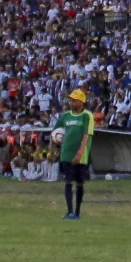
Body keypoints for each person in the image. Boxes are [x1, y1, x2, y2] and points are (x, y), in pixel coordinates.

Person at [54, 88, 96, 219]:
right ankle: (69, 211)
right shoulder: (65, 115)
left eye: (74, 100)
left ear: (81, 102)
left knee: (79, 183)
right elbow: (55, 131)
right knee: (68, 181)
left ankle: (77, 212)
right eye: (70, 100)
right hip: (66, 153)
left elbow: (86, 135)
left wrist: (80, 153)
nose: (71, 102)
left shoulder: (87, 115)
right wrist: (53, 147)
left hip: (81, 156)